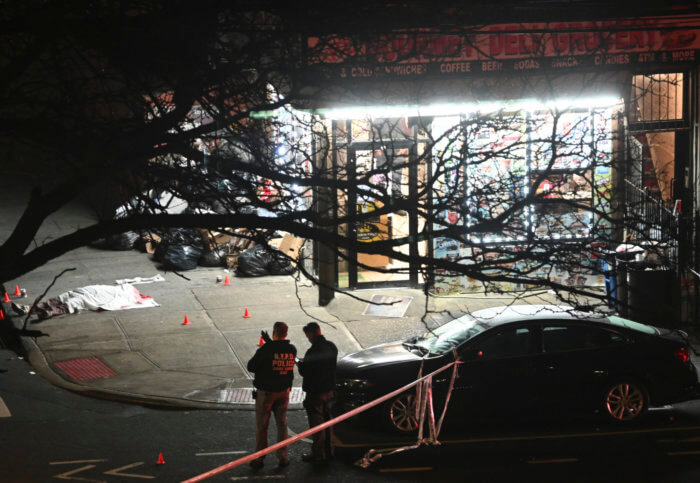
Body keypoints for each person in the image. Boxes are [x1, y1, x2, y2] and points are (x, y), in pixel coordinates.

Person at [246, 321, 297, 469]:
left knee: (262, 426)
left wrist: (268, 344)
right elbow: (279, 352)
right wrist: (270, 343)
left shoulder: (265, 350)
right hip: (284, 392)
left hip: (267, 393)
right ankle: (283, 456)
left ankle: (259, 458)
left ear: (274, 332)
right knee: (282, 424)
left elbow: (251, 366)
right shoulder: (291, 349)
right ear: (286, 333)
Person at [297, 322, 338, 464]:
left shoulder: (312, 352)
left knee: (317, 425)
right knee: (329, 422)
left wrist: (300, 364)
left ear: (311, 334)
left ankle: (318, 454)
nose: (307, 338)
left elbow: (305, 371)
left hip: (316, 393)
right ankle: (330, 451)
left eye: (307, 335)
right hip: (330, 390)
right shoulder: (332, 347)